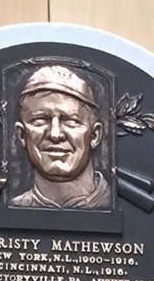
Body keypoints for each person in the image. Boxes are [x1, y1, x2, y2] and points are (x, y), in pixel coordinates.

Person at [11, 61, 111, 210]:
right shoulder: (15, 206)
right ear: (21, 135)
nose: (55, 134)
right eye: (40, 120)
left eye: (71, 121)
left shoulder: (111, 201)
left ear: (95, 135)